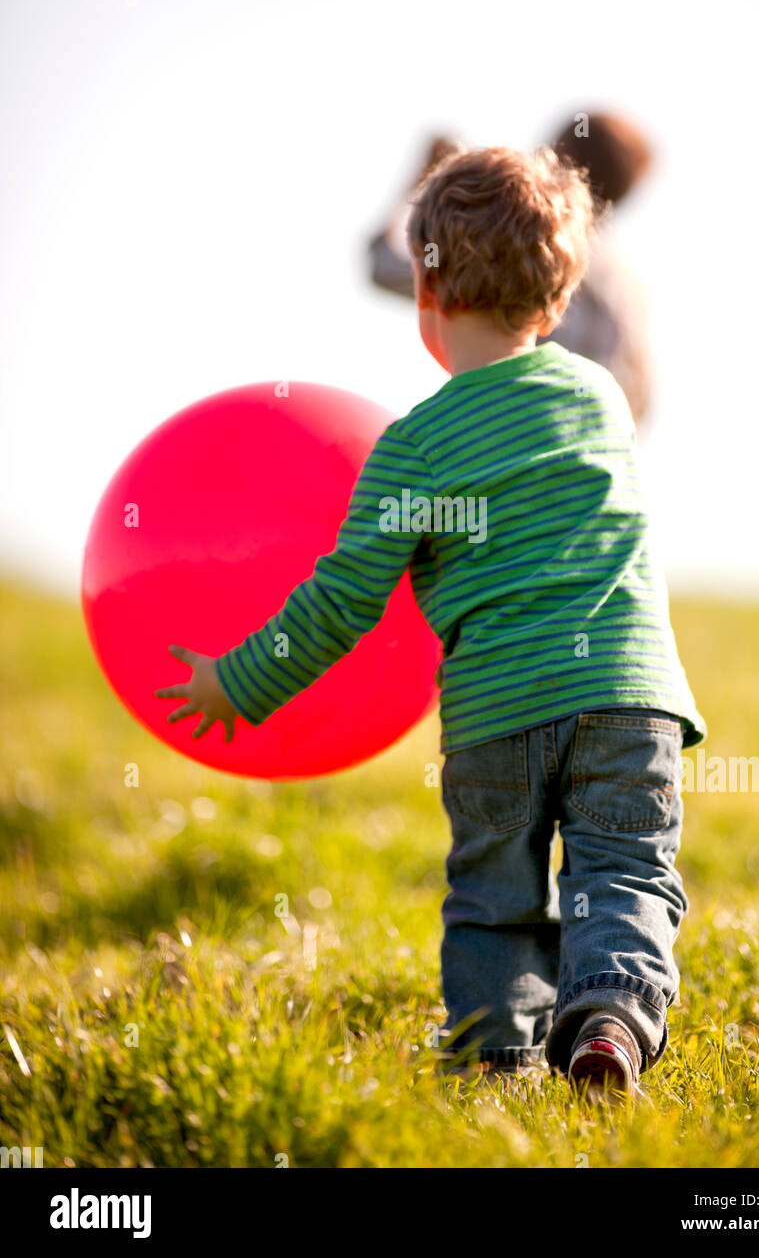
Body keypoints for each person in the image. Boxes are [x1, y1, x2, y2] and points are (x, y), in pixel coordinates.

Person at [155, 145, 706, 1099]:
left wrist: (233, 683)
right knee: (621, 873)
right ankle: (610, 1016)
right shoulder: (602, 400)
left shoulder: (411, 449)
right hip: (628, 702)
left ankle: (495, 1062)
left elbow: (340, 602)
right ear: (563, 293)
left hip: (495, 718)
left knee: (495, 900)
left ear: (425, 290)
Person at [369, 113, 655, 427]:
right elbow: (640, 401)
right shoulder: (627, 288)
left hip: (507, 438)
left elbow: (385, 266)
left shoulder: (522, 248)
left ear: (559, 159)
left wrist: (428, 183)